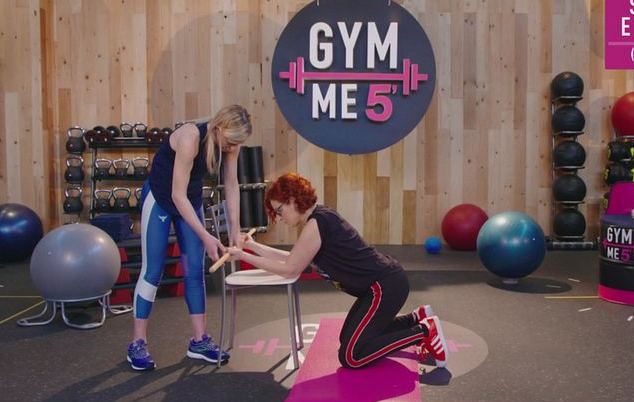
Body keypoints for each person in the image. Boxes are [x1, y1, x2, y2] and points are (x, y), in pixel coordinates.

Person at [226, 172, 448, 369]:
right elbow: (293, 259)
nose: (280, 218)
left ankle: (424, 331)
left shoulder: (317, 223)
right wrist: (252, 246)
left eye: (279, 210)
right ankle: (413, 319)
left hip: (384, 287)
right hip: (378, 287)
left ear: (292, 200)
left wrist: (244, 257)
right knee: (347, 340)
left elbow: (290, 269)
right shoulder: (317, 220)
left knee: (352, 356)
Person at [127, 105, 253, 371]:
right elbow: (176, 194)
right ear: (218, 129)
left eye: (237, 144)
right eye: (231, 142)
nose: (233, 148)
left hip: (190, 200)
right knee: (152, 271)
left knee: (195, 271)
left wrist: (235, 228)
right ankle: (137, 342)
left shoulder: (230, 142)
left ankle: (199, 341)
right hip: (161, 198)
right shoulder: (190, 137)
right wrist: (206, 235)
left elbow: (231, 184)